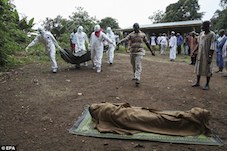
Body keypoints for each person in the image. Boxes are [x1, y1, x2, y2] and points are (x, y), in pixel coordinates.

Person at [192, 21, 216, 90]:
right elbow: (199, 44)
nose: (201, 27)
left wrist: (210, 56)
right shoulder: (201, 34)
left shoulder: (212, 34)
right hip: (200, 54)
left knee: (208, 68)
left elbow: (213, 46)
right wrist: (194, 51)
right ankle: (197, 82)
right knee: (198, 67)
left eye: (203, 26)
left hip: (207, 54)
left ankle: (207, 84)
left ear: (207, 26)